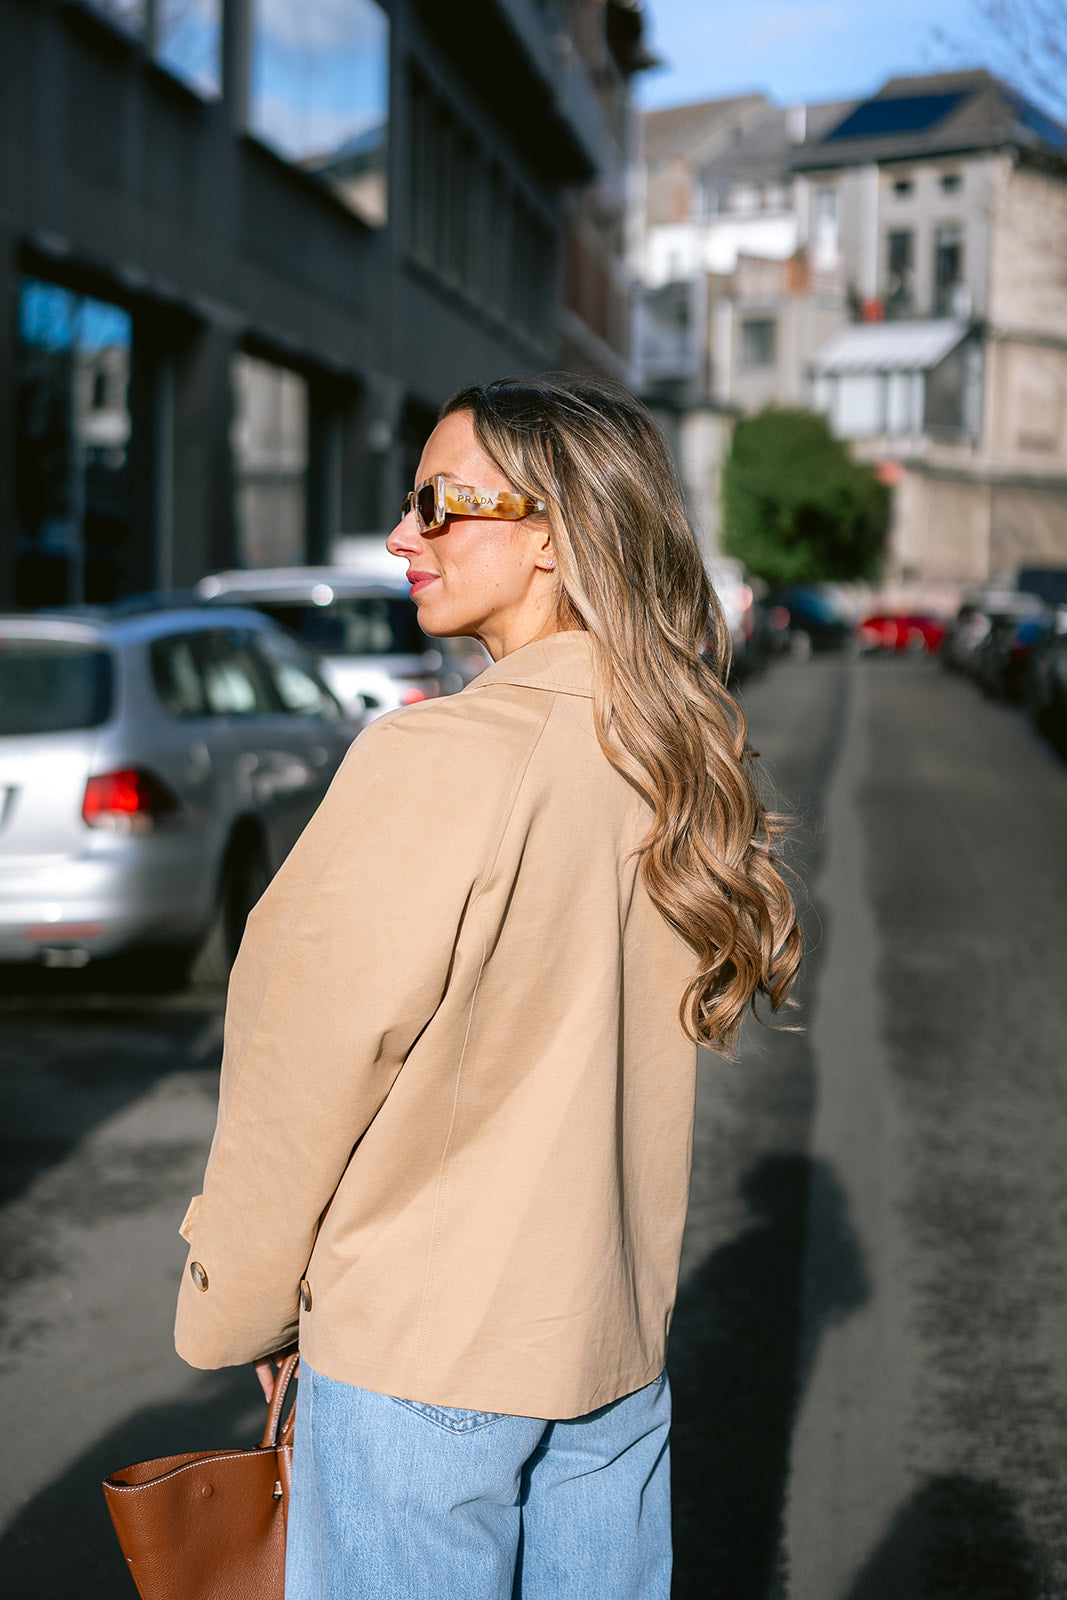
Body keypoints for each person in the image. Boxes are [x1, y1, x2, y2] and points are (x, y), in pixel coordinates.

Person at [174, 374, 801, 1599]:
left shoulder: (433, 757)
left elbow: (305, 1069)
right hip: (608, 1360)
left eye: (439, 505)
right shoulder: (672, 757)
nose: (401, 535)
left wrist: (239, 1307)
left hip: (421, 1360)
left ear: (553, 534)